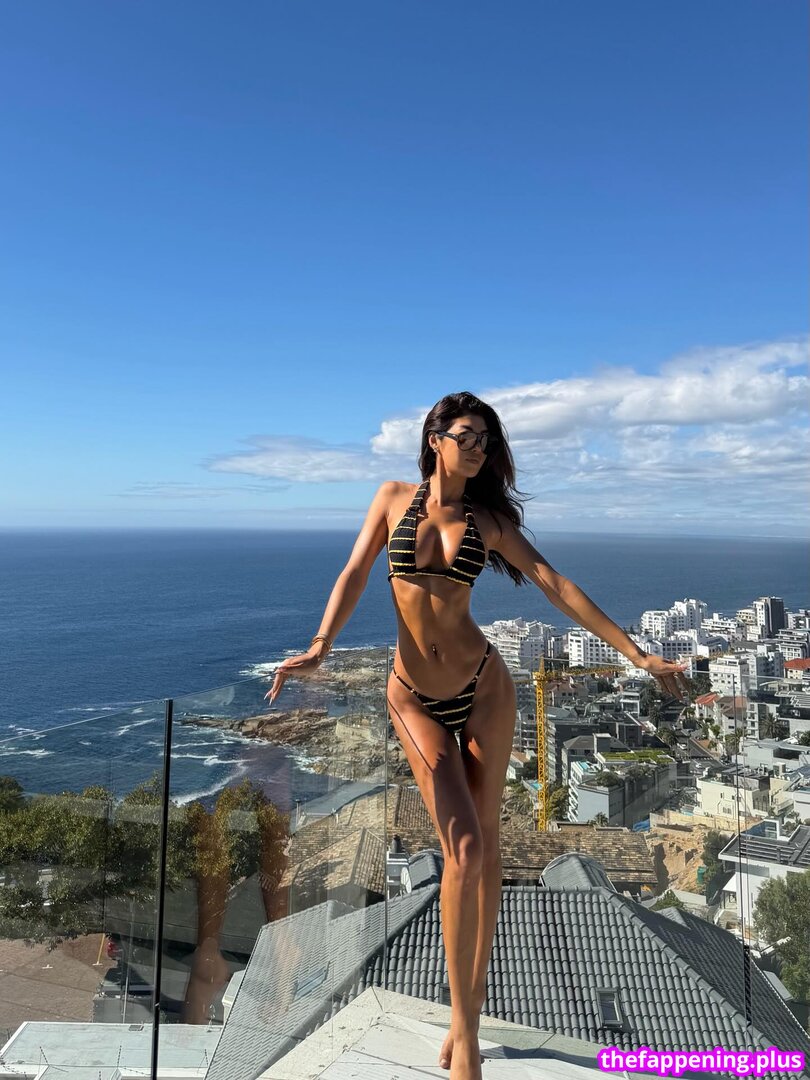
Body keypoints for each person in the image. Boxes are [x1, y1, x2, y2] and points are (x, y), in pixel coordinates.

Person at [265, 390, 689, 1080]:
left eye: (486, 441)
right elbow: (354, 572)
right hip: (414, 699)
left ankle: (467, 1021)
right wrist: (320, 645)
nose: (478, 450)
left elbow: (554, 582)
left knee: (483, 850)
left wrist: (638, 656)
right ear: (434, 438)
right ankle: (463, 1022)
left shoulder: (488, 522)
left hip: (486, 687)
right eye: (466, 436)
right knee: (462, 848)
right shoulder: (391, 499)